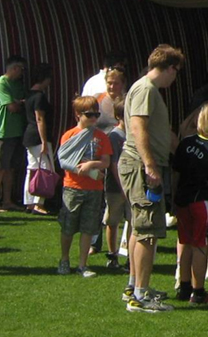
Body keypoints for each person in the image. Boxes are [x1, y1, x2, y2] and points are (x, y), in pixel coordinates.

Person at [118, 44, 184, 313]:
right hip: (140, 164)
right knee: (147, 230)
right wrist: (150, 164)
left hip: (141, 164)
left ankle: (135, 286)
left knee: (138, 226)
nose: (175, 78)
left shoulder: (147, 90)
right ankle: (140, 296)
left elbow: (161, 131)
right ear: (169, 68)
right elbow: (138, 126)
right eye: (175, 72)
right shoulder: (146, 89)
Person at [172, 101, 208, 304]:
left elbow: (176, 171)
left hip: (182, 199)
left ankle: (184, 286)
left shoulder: (186, 143)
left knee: (185, 243)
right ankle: (198, 292)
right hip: (202, 202)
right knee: (200, 245)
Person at [57, 95, 111, 277]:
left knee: (88, 228)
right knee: (68, 226)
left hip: (94, 189)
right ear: (78, 115)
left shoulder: (101, 137)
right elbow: (64, 160)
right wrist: (83, 168)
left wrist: (91, 165)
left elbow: (106, 162)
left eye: (97, 114)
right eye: (89, 115)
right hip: (72, 187)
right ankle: (64, 260)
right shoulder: (69, 135)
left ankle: (82, 264)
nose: (94, 118)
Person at [0, 54, 27, 212]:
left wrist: (18, 103)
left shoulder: (18, 85)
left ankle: (7, 201)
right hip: (3, 132)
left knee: (10, 168)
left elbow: (21, 102)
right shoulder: (1, 84)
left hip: (16, 131)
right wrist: (19, 104)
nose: (22, 73)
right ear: (14, 68)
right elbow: (11, 107)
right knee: (0, 168)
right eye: (21, 69)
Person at [21, 62, 53, 215]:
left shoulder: (28, 94)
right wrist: (44, 141)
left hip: (29, 134)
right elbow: (40, 119)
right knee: (44, 168)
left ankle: (29, 202)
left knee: (32, 169)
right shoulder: (39, 96)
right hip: (37, 135)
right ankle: (38, 202)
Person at [101, 101, 128, 270]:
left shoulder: (134, 134)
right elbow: (113, 164)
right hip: (115, 186)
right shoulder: (114, 136)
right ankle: (112, 254)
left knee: (133, 221)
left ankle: (131, 257)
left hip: (131, 185)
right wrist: (122, 185)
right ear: (119, 116)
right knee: (112, 220)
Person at [96, 67, 127, 131]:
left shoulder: (127, 100)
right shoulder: (97, 99)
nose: (112, 87)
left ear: (122, 84)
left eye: (116, 83)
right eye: (109, 83)